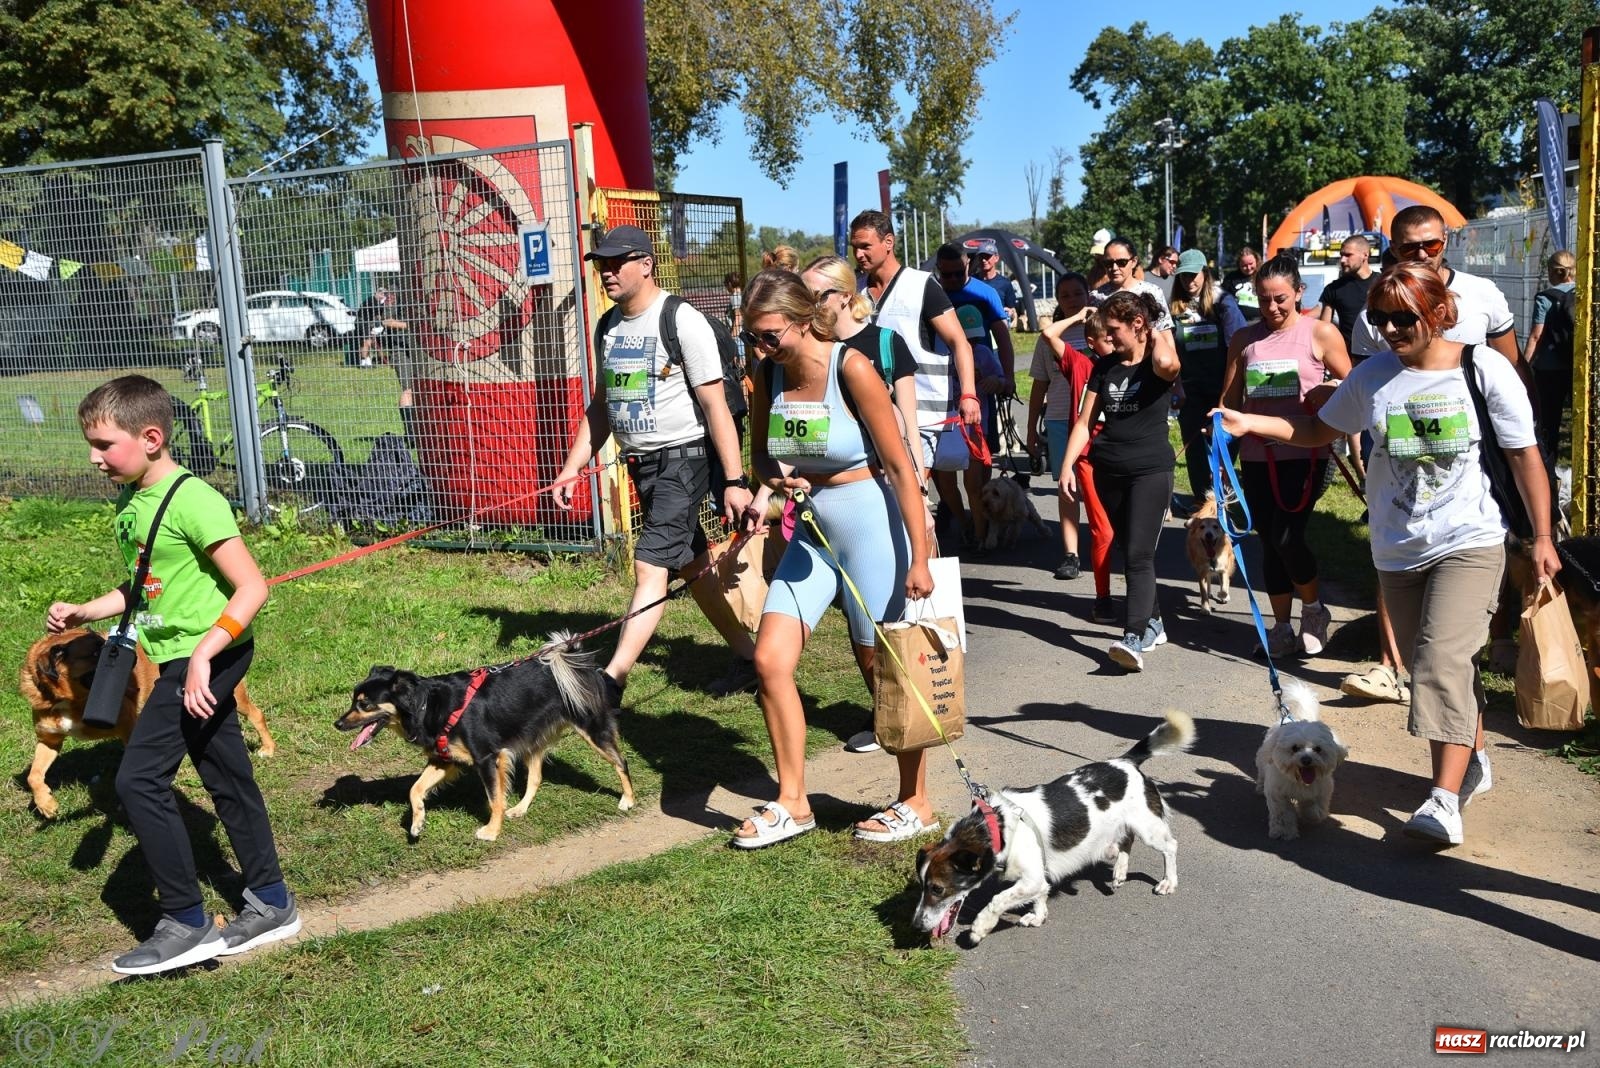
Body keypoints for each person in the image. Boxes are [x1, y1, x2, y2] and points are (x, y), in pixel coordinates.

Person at [1215, 263, 1556, 846]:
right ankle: (1472, 756)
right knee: (1440, 666)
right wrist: (1250, 421)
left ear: (1439, 313)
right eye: (1380, 319)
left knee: (1439, 662)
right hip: (1397, 548)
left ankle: (1443, 801)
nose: (1391, 330)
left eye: (1404, 318)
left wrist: (1543, 538)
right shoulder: (1373, 375)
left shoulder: (1483, 368)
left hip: (1469, 539)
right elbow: (1316, 431)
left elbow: (1525, 455)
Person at [46, 375, 298, 974]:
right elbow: (147, 585)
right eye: (91, 445)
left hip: (207, 655)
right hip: (184, 654)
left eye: (104, 445)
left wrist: (205, 655)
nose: (94, 457)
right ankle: (272, 902)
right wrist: (89, 610)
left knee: (137, 781)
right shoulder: (131, 501)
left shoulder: (194, 500)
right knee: (227, 776)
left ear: (151, 438)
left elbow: (252, 587)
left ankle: (186, 923)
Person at [732, 269, 936, 848]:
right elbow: (763, 461)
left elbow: (900, 466)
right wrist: (772, 487)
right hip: (812, 530)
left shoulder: (852, 367)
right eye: (752, 336)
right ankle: (793, 803)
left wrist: (920, 556)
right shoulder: (768, 374)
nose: (761, 347)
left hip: (871, 523)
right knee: (770, 660)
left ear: (802, 320)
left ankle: (916, 801)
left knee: (885, 671)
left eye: (770, 335)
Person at [554, 225, 759, 699]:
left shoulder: (681, 319)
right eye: (602, 265)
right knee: (692, 565)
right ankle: (750, 657)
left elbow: (715, 406)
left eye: (616, 263)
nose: (607, 272)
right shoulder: (608, 326)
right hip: (642, 465)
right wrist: (571, 467)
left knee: (649, 566)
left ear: (646, 265)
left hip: (684, 460)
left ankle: (611, 682)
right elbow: (602, 407)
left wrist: (734, 479)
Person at [1344, 205, 1525, 697]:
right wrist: (1359, 447)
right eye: (1410, 247)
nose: (1423, 253)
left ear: (1446, 242)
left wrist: (1525, 436)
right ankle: (1391, 662)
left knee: (1482, 545)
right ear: (1393, 248)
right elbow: (1365, 387)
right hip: (1399, 451)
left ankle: (1496, 639)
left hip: (1476, 456)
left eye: (1433, 244)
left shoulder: (1482, 295)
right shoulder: (1376, 309)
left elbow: (1513, 368)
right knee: (1394, 540)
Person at [1219, 255, 1352, 658]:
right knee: (1269, 541)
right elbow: (1230, 400)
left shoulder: (1321, 333)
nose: (1272, 307)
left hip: (1306, 452)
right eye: (1263, 300)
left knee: (1286, 535)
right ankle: (1280, 627)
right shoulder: (1245, 339)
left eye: (1280, 299)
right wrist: (1220, 444)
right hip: (1257, 455)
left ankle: (1313, 610)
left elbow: (1353, 387)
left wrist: (1327, 390)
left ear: (1299, 293)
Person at [1061, 290, 1180, 671]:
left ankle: (1133, 637)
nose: (1108, 337)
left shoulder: (1157, 363)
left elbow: (1169, 363)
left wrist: (1154, 331)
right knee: (1129, 549)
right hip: (1108, 470)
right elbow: (1084, 422)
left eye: (1114, 329)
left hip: (1150, 471)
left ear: (1138, 324)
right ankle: (1153, 622)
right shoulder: (1104, 366)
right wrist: (1067, 466)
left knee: (1139, 555)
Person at [1030, 284, 1115, 622]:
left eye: (1115, 335)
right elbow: (1048, 334)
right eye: (1106, 338)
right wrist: (1079, 316)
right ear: (1092, 342)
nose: (1113, 342)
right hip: (1085, 450)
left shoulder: (1128, 362)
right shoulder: (1079, 363)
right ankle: (1099, 590)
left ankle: (1141, 600)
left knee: (1121, 526)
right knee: (1098, 524)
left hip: (1123, 452)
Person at [933, 243, 1014, 549]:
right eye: (947, 275)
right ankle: (963, 519)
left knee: (979, 464)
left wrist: (1006, 379)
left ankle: (984, 521)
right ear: (938, 271)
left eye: (958, 273)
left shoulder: (984, 293)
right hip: (943, 392)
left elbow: (1003, 338)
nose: (953, 280)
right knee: (945, 469)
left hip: (979, 386)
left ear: (968, 265)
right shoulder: (932, 292)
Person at [1169, 249, 1248, 514]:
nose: (1189, 281)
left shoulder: (1223, 302)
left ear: (1205, 273)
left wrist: (1229, 394)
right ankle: (1201, 501)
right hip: (1190, 389)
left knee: (1224, 444)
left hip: (1221, 387)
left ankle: (1221, 499)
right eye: (1184, 276)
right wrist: (1177, 385)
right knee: (1194, 447)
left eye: (1194, 275)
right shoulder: (1174, 307)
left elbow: (1238, 346)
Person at [1524, 249, 1577, 459]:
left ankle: (1549, 464)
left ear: (1552, 272)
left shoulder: (1545, 298)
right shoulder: (1585, 293)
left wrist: (1524, 365)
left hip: (1549, 368)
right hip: (1577, 365)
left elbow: (1536, 336)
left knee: (1549, 420)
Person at [965, 236, 1019, 329]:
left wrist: (1010, 313)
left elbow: (1012, 309)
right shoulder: (970, 281)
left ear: (996, 258)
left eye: (987, 256)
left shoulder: (1005, 283)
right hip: (975, 328)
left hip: (997, 328)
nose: (984, 260)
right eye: (981, 257)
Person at [1223, 246, 1263, 322]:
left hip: (1261, 320)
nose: (1248, 268)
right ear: (1239, 264)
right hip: (1239, 322)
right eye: (1244, 265)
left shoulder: (1263, 275)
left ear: (1256, 261)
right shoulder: (1231, 278)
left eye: (1251, 263)